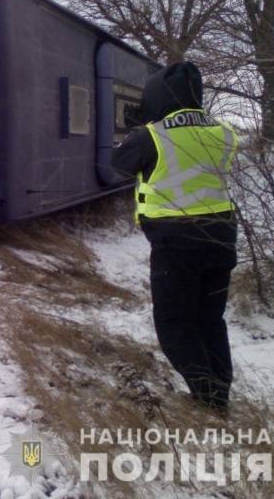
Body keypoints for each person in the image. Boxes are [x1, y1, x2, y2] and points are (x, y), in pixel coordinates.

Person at [111, 61, 238, 411]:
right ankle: (219, 394)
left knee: (174, 324)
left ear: (158, 97)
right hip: (221, 238)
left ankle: (207, 398)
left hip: (177, 243)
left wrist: (138, 126)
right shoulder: (223, 132)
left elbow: (118, 163)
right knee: (210, 319)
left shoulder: (152, 134)